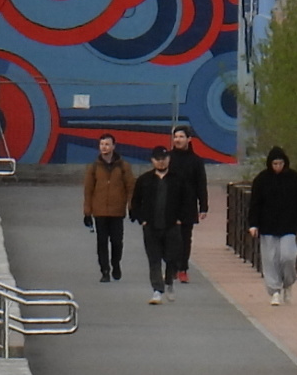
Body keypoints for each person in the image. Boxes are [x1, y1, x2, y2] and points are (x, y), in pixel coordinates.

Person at [128, 145, 195, 304]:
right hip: (151, 226)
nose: (161, 162)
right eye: (157, 159)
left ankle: (169, 282)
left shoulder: (178, 179)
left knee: (172, 257)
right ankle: (157, 290)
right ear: (152, 160)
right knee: (154, 258)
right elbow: (135, 201)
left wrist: (181, 219)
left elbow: (188, 201)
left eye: (164, 159)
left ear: (169, 160)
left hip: (172, 225)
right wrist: (141, 219)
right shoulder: (144, 180)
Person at [246, 146, 297, 306]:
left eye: (280, 163)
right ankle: (274, 291)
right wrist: (253, 224)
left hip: (288, 225)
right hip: (267, 226)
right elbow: (255, 203)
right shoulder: (261, 180)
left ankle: (288, 282)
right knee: (270, 260)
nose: (277, 167)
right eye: (274, 163)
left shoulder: (294, 178)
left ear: (285, 163)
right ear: (270, 163)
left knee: (288, 256)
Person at [163, 123, 212, 285]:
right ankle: (171, 268)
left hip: (188, 204)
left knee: (185, 238)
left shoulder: (196, 161)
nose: (177, 140)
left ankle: (183, 269)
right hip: (169, 204)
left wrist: (203, 206)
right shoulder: (167, 158)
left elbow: (201, 184)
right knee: (169, 238)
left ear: (189, 139)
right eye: (175, 137)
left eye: (181, 137)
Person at [80, 133, 131, 283]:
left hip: (117, 211)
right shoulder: (94, 167)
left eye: (107, 144)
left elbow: (130, 186)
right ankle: (105, 270)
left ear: (114, 146)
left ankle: (116, 263)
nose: (104, 147)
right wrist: (87, 212)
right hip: (100, 211)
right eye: (102, 144)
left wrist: (131, 206)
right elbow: (88, 190)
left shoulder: (123, 166)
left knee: (117, 241)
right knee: (101, 242)